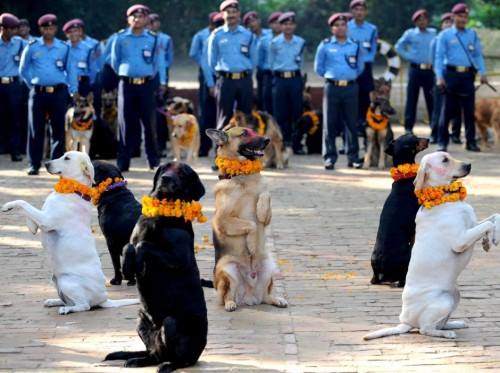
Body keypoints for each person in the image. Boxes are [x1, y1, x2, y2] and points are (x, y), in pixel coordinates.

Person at [19, 14, 78, 175]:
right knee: (35, 129)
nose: (49, 31)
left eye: (51, 28)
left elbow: (71, 70)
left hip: (58, 92)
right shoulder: (32, 46)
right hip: (38, 93)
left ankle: (56, 165)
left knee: (58, 130)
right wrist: (33, 84)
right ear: (41, 29)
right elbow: (23, 69)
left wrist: (73, 91)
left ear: (56, 29)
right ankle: (34, 164)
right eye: (45, 28)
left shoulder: (64, 47)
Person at [111, 4, 166, 171]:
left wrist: (150, 76)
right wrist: (126, 73)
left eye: (141, 16)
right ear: (128, 19)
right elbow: (114, 61)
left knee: (150, 124)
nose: (137, 19)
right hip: (126, 85)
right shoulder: (120, 38)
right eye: (134, 16)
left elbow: (157, 63)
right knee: (125, 124)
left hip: (146, 85)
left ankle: (153, 161)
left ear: (146, 19)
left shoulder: (152, 38)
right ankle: (123, 162)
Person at [314, 13, 365, 170]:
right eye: (336, 25)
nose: (340, 27)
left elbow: (360, 66)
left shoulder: (355, 44)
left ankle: (354, 157)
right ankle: (329, 157)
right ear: (332, 28)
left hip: (351, 87)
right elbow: (319, 68)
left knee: (351, 123)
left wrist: (350, 77)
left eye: (343, 24)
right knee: (330, 124)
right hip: (332, 87)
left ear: (347, 27)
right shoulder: (325, 45)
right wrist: (332, 78)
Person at [435, 3, 487, 152]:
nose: (462, 19)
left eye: (465, 16)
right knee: (446, 111)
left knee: (469, 111)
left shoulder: (472, 34)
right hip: (450, 75)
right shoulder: (444, 35)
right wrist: (439, 77)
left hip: (467, 75)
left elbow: (478, 55)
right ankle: (442, 142)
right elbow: (438, 58)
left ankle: (470, 142)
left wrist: (482, 72)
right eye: (459, 16)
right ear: (453, 17)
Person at [207, 0, 257, 129]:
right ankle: (221, 148)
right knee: (224, 117)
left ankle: (245, 148)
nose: (231, 15)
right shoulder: (216, 35)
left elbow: (254, 59)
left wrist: (247, 74)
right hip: (225, 81)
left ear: (239, 14)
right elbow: (211, 61)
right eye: (228, 12)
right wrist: (220, 76)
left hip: (244, 80)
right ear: (222, 14)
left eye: (234, 12)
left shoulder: (248, 35)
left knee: (246, 118)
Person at [269, 11, 305, 155]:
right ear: (280, 26)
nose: (288, 27)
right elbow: (271, 63)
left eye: (291, 24)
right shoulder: (274, 42)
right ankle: (282, 143)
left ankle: (296, 144)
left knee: (297, 112)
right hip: (280, 79)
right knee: (280, 113)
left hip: (295, 79)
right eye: (285, 24)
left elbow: (301, 62)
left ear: (295, 26)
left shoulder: (300, 42)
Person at [395, 9, 436, 135]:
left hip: (430, 70)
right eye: (419, 20)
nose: (422, 21)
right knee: (412, 99)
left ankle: (435, 128)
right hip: (415, 69)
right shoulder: (410, 33)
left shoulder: (434, 33)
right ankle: (408, 128)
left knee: (432, 100)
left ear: (427, 20)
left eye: (424, 19)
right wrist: (409, 56)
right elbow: (398, 47)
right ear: (415, 22)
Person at [191, 12, 223, 157]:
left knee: (222, 113)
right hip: (207, 76)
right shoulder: (202, 36)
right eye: (216, 23)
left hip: (223, 75)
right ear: (210, 23)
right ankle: (204, 147)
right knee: (206, 113)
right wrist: (210, 82)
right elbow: (195, 54)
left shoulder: (223, 35)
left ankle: (221, 147)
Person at [430, 12, 461, 144]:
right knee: (438, 108)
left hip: (455, 77)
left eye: (450, 22)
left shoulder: (458, 38)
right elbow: (433, 60)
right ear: (441, 25)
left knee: (456, 108)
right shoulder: (436, 40)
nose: (448, 24)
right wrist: (438, 76)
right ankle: (434, 133)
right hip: (441, 77)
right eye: (445, 22)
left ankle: (455, 134)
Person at [347, 0, 378, 136]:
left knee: (365, 97)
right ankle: (350, 129)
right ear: (351, 12)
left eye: (362, 10)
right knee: (350, 98)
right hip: (349, 67)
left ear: (366, 12)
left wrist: (365, 61)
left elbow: (373, 49)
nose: (359, 12)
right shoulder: (346, 27)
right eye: (356, 9)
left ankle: (363, 126)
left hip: (365, 67)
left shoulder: (372, 29)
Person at [0, 13, 25, 162]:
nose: (14, 32)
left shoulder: (20, 43)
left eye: (15, 29)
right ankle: (2, 146)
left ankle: (15, 150)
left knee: (15, 118)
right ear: (3, 28)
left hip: (14, 84)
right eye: (11, 29)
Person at [149, 13, 174, 157]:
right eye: (151, 22)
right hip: (147, 76)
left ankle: (161, 145)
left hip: (161, 76)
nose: (153, 24)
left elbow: (168, 59)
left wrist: (162, 76)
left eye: (156, 21)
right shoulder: (145, 38)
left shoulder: (165, 39)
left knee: (161, 112)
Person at [243, 10, 271, 111]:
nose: (252, 24)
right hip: (258, 72)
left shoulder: (270, 34)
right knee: (261, 99)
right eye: (249, 23)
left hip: (271, 70)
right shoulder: (246, 38)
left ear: (259, 21)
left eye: (254, 21)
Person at [63, 19, 97, 96]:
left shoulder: (88, 49)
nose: (73, 34)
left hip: (83, 85)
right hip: (65, 85)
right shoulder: (62, 49)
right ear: (66, 34)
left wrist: (90, 86)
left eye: (75, 31)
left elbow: (93, 70)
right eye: (70, 32)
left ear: (80, 32)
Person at [256, 11, 282, 114]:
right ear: (270, 25)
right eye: (274, 22)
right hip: (268, 75)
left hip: (283, 76)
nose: (277, 25)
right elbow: (259, 60)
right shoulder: (264, 40)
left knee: (282, 104)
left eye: (280, 22)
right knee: (267, 102)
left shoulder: (289, 40)